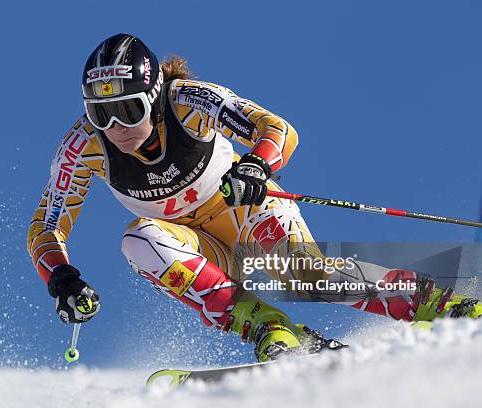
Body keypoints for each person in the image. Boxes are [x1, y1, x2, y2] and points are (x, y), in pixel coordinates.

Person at [27, 34, 481, 362]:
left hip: (241, 208)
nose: (116, 127)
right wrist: (61, 278)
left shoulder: (187, 102)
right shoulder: (84, 146)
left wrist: (256, 165)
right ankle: (272, 330)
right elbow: (47, 227)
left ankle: (440, 303)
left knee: (310, 275)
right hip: (192, 243)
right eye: (100, 112)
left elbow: (278, 129)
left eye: (128, 109)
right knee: (138, 242)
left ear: (154, 95)